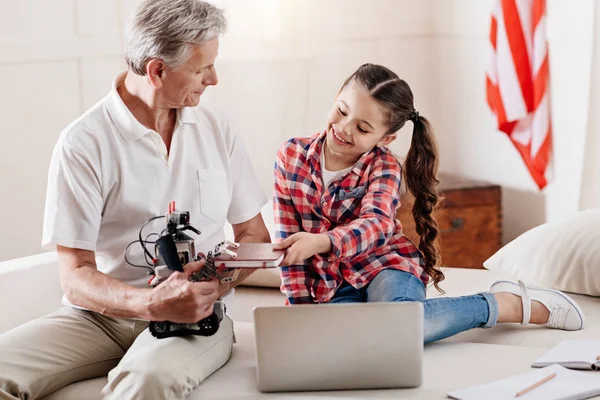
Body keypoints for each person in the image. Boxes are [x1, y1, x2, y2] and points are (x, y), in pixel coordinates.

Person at [0, 1, 270, 399]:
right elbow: (75, 275)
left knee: (148, 379)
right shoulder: (83, 143)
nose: (213, 79)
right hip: (97, 319)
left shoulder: (218, 128)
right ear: (157, 70)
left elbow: (252, 234)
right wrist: (150, 302)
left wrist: (210, 284)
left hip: (194, 319)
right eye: (201, 69)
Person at [273, 63, 585, 343]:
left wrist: (324, 241)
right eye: (342, 111)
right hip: (334, 286)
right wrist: (299, 314)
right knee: (354, 344)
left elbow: (377, 224)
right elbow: (288, 244)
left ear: (385, 139)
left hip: (385, 267)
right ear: (338, 95)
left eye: (363, 128)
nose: (343, 129)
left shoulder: (384, 166)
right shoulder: (291, 156)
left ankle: (505, 303)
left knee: (403, 327)